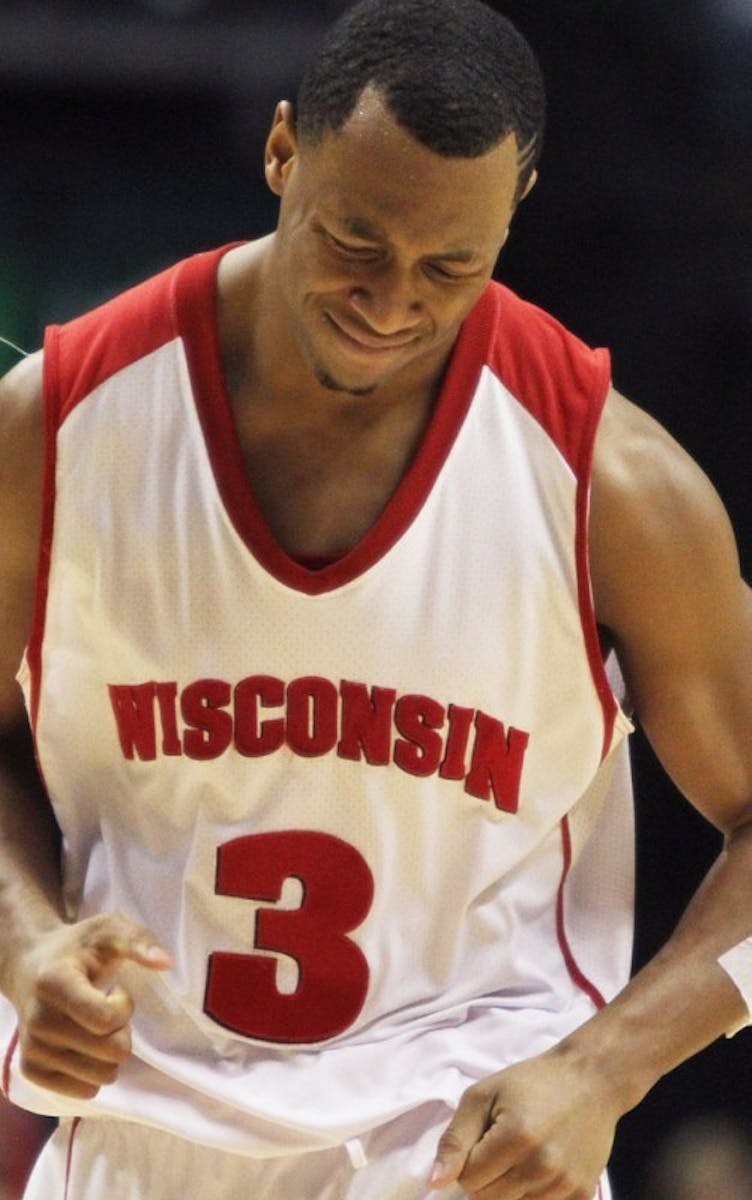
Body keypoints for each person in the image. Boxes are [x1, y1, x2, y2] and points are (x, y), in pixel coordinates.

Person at [0, 0, 750, 1197]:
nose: (390, 301)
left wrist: (602, 1071)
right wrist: (27, 941)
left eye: (450, 266)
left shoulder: (611, 489)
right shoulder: (60, 425)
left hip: (468, 1142)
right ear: (281, 152)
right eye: (353, 241)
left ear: (516, 208)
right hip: (143, 1134)